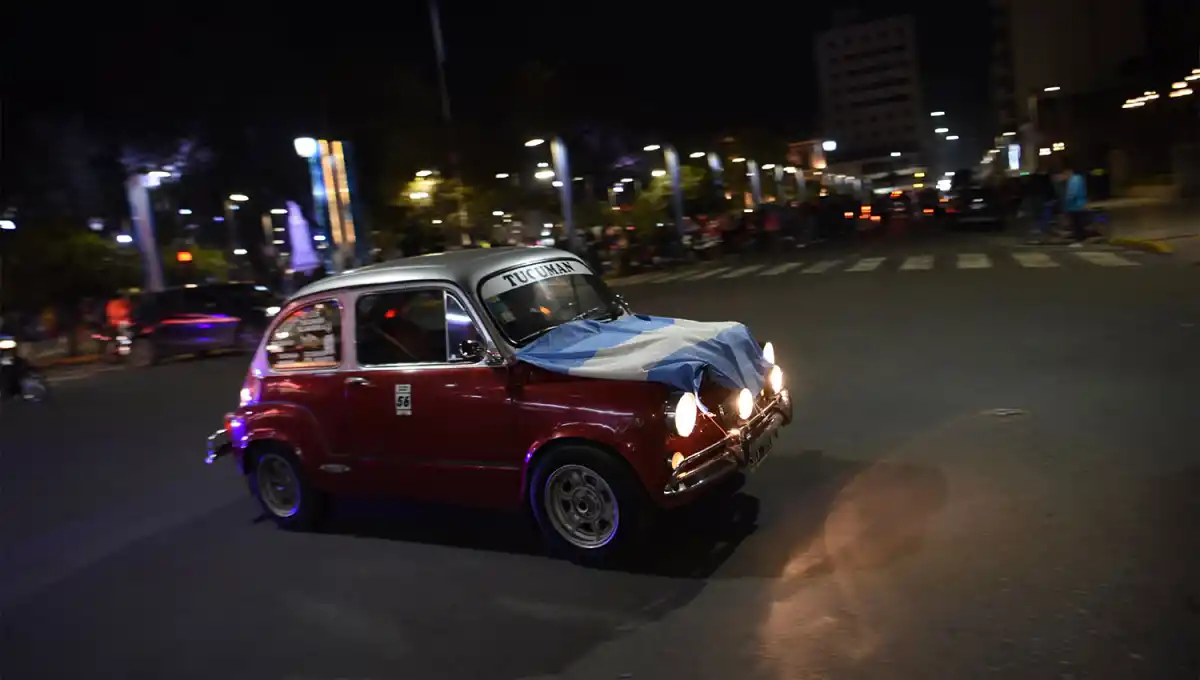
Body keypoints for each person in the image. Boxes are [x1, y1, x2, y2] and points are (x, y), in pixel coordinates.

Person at [1059, 159, 1090, 246]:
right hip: (1078, 205)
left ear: (1068, 172)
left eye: (1065, 174)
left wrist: (1066, 201)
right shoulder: (1078, 178)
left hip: (1075, 206)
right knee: (1078, 223)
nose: (1064, 176)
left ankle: (1079, 240)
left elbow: (1072, 193)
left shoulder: (1074, 180)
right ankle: (1081, 239)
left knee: (1076, 224)